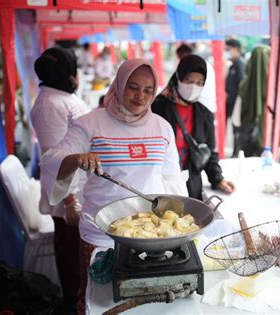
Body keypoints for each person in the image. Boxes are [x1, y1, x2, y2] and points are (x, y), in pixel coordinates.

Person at [39, 59, 185, 314]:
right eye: (133, 87)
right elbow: (50, 159)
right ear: (118, 85)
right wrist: (74, 159)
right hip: (101, 234)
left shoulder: (162, 128)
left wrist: (177, 225)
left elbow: (171, 179)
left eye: (148, 90)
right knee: (98, 303)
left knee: (142, 304)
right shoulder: (90, 124)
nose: (140, 96)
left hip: (149, 237)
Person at [30, 47, 91, 309]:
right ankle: (73, 306)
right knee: (72, 263)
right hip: (68, 198)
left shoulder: (60, 98)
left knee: (80, 261)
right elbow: (53, 156)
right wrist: (69, 202)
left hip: (79, 192)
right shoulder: (50, 105)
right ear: (68, 72)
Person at [152, 54, 235, 200]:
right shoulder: (157, 108)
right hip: (159, 182)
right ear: (178, 77)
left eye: (199, 82)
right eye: (188, 80)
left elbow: (209, 151)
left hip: (191, 185)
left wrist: (218, 178)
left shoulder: (204, 114)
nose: (193, 86)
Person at [232, 45, 269, 157]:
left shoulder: (244, 85)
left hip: (247, 134)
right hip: (266, 135)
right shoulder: (272, 85)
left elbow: (236, 118)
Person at [176, 43, 217, 114]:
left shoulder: (193, 68)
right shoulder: (205, 64)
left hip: (201, 108)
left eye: (180, 59)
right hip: (210, 105)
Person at [225, 38, 245, 121]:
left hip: (235, 103)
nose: (226, 52)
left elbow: (241, 84)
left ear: (236, 49)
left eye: (228, 49)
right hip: (230, 101)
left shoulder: (239, 65)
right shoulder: (232, 64)